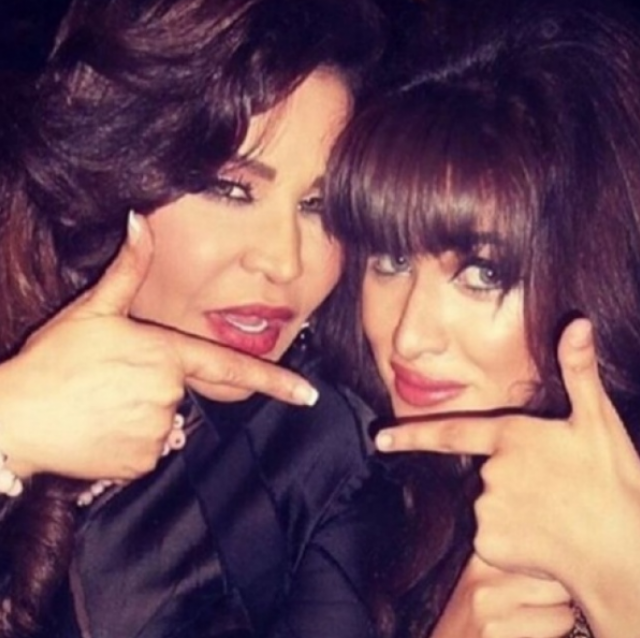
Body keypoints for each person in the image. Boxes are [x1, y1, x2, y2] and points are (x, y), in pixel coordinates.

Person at [0, 0, 388, 636]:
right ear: (112, 169)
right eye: (231, 189)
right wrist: (14, 423)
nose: (284, 262)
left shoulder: (325, 457)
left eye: (320, 206)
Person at [321, 0, 640, 635]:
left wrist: (621, 578)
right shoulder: (349, 480)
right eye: (391, 259)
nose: (410, 336)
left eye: (483, 273)